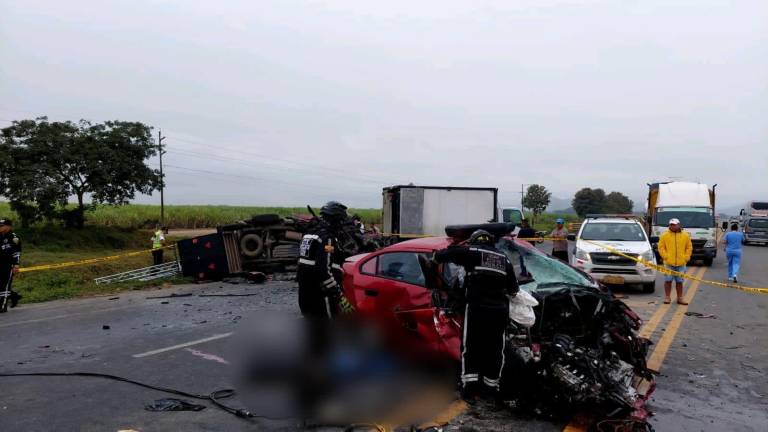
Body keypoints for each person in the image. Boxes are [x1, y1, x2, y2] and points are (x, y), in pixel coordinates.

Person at [434, 230, 519, 401]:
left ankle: (469, 389)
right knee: (495, 350)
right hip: (498, 311)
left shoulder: (472, 252)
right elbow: (513, 289)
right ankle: (491, 389)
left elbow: (447, 254)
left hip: (477, 309)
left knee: (471, 347)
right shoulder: (504, 259)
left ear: (474, 242)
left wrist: (436, 257)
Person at [297, 201, 353, 320]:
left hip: (304, 291)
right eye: (341, 221)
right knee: (326, 329)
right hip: (320, 294)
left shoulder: (309, 234)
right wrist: (338, 294)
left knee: (311, 328)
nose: (342, 224)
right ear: (335, 220)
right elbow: (323, 270)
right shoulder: (327, 239)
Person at [658, 218, 693, 305]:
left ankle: (680, 298)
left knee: (679, 281)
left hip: (681, 263)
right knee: (668, 280)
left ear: (679, 225)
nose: (672, 226)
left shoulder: (685, 235)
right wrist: (666, 257)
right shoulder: (664, 235)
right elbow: (661, 247)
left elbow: (689, 247)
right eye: (671, 224)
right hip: (668, 263)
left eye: (674, 224)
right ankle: (667, 297)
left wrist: (686, 257)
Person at [0, 218, 22, 312]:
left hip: (8, 264)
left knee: (5, 285)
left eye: (2, 226)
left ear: (8, 226)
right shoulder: (0, 236)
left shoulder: (14, 237)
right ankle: (14, 296)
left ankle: (2, 306)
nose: (0, 227)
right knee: (1, 284)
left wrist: (16, 264)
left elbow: (17, 252)